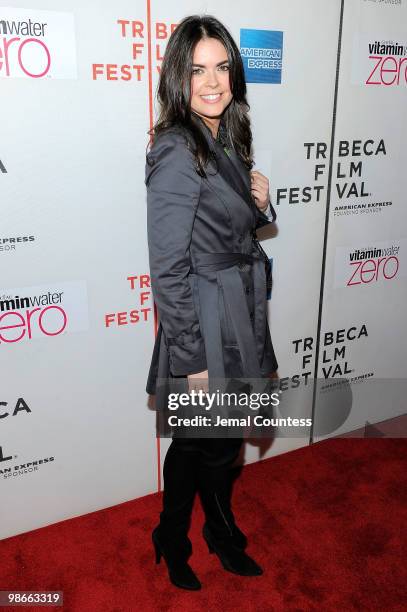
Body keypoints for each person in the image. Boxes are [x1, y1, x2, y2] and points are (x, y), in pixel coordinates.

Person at [145, 14, 278, 591]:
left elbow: (236, 231)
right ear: (178, 75)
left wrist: (262, 204)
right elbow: (169, 267)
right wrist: (193, 361)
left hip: (239, 312)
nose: (213, 81)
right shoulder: (177, 148)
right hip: (203, 320)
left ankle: (217, 531)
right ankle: (175, 537)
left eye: (222, 66)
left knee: (220, 445)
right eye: (197, 69)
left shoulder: (224, 135)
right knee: (203, 443)